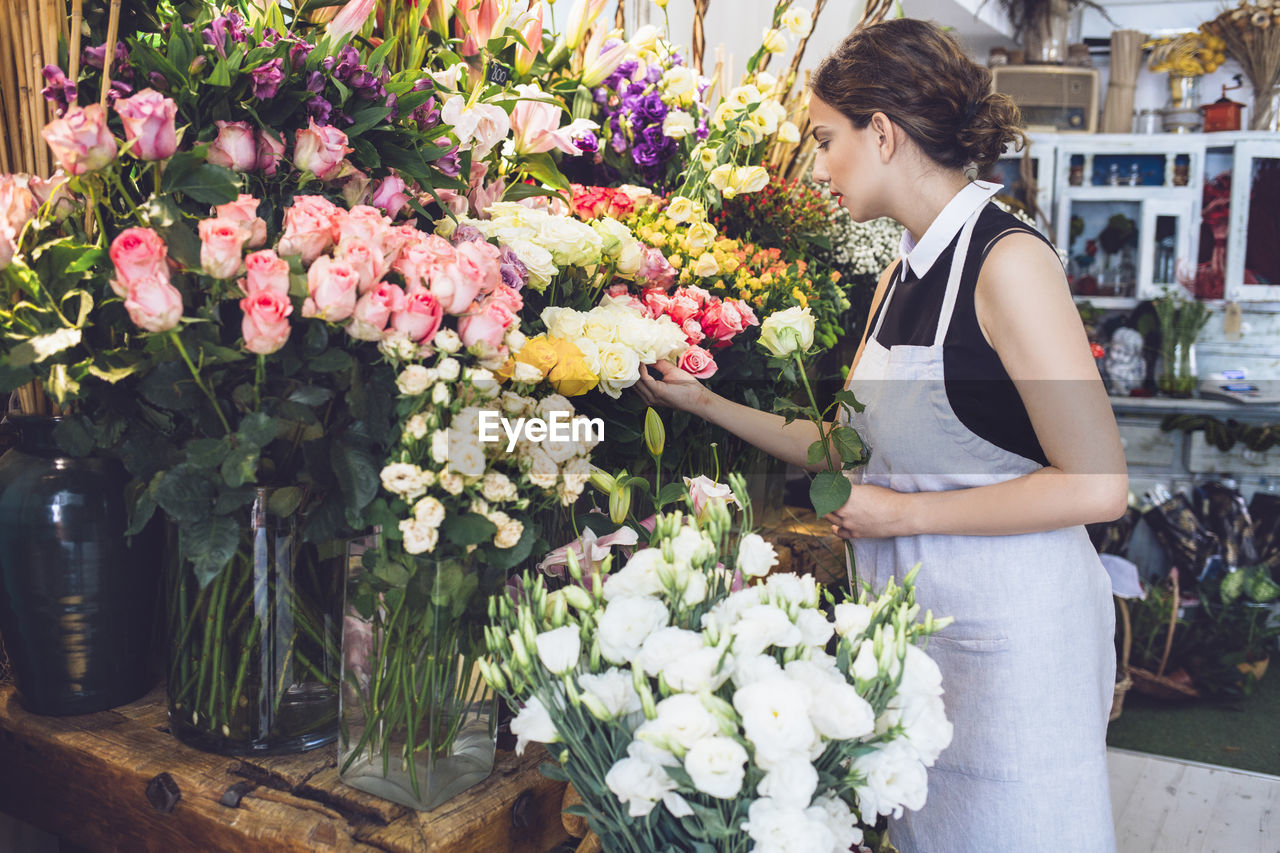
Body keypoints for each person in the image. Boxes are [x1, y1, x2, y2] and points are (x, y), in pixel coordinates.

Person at [635, 18, 1128, 853]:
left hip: (1018, 645)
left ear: (885, 133)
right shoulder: (903, 268)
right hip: (922, 637)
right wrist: (704, 403)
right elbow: (846, 451)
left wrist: (900, 516)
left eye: (826, 140)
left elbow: (1097, 486)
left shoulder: (1010, 264)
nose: (819, 166)